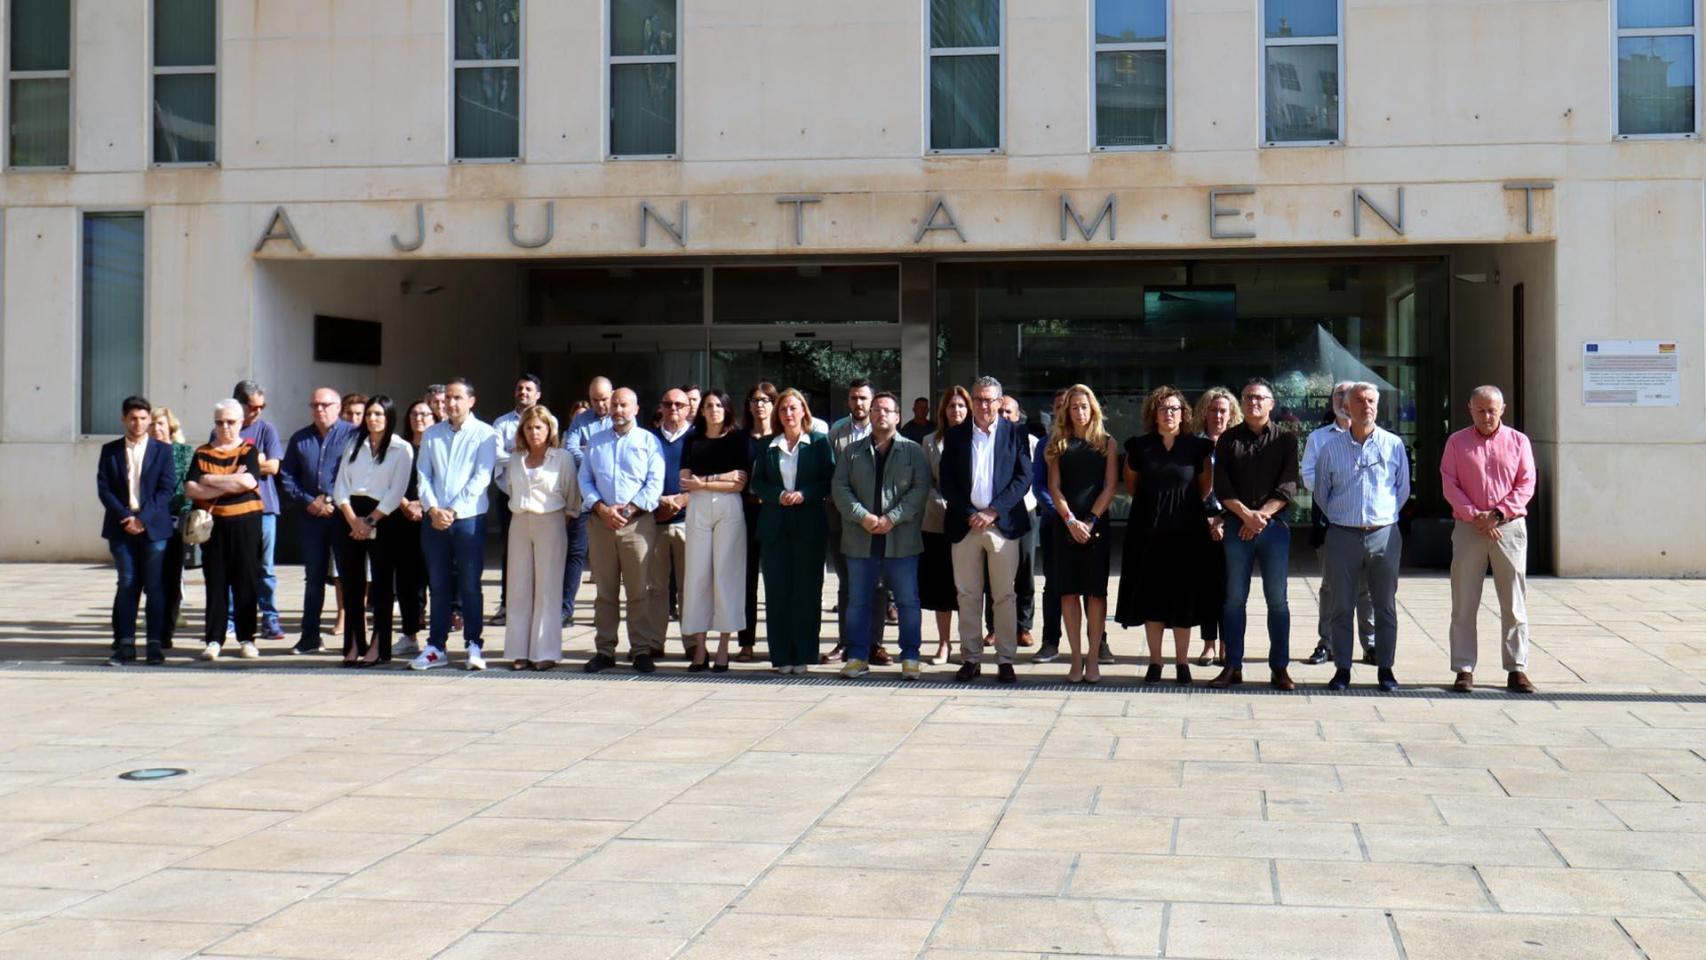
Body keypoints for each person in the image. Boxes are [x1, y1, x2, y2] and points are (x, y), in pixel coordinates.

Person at [1312, 383, 1410, 692]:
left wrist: (1380, 518)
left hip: (1383, 534)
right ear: (1346, 408)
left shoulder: (1394, 445)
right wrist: (1344, 517)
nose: (1365, 406)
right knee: (1341, 605)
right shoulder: (1331, 448)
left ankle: (1386, 668)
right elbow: (1321, 493)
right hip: (1342, 534)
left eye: (1370, 401)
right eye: (1359, 401)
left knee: (1385, 606)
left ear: (1377, 407)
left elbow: (1402, 489)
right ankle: (1342, 668)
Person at [1116, 386, 1215, 686]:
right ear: (1153, 414)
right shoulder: (1139, 447)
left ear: (1184, 414)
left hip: (1186, 533)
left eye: (1174, 408)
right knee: (1153, 598)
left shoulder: (1198, 448)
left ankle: (1182, 663)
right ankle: (1156, 662)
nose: (1169, 413)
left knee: (1182, 598)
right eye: (1163, 409)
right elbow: (1132, 487)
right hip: (1148, 532)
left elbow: (1204, 488)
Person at [1442, 386, 1537, 694]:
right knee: (1464, 601)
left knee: (1513, 602)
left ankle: (1516, 668)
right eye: (1480, 410)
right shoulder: (1456, 442)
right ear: (1470, 409)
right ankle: (1464, 668)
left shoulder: (1519, 442)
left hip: (1508, 528)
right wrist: (1476, 516)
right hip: (1469, 529)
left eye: (1492, 410)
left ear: (1503, 409)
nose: (1486, 416)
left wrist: (1497, 514)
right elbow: (1450, 483)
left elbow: (1526, 483)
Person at [939, 376, 1033, 684]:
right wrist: (971, 514)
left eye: (990, 400)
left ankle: (1005, 660)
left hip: (1002, 526)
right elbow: (948, 482)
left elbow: (1023, 478)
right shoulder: (954, 436)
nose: (983, 405)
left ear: (999, 401)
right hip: (965, 526)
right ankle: (971, 659)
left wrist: (993, 511)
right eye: (978, 399)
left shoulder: (1015, 433)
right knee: (967, 595)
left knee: (1004, 595)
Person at [833, 392, 930, 679]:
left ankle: (910, 657)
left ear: (898, 416)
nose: (880, 414)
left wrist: (892, 518)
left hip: (901, 541)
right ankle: (857, 656)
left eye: (886, 410)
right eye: (875, 409)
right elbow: (840, 489)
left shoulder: (913, 451)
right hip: (860, 539)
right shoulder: (851, 452)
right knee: (858, 601)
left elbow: (919, 490)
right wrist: (863, 516)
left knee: (908, 601)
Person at [1212, 378, 1301, 690]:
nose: (1254, 403)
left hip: (1273, 529)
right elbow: (1222, 487)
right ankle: (1232, 666)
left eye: (1260, 398)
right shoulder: (1227, 441)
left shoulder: (1286, 440)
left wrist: (1260, 516)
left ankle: (1280, 668)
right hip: (1238, 527)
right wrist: (1246, 517)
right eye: (1248, 397)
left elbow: (1289, 485)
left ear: (1271, 404)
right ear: (1242, 401)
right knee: (1234, 599)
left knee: (1278, 600)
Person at [412, 378, 498, 671]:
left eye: (457, 397)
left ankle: (474, 643)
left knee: (470, 584)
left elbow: (482, 477)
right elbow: (423, 475)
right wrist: (433, 509)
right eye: (447, 398)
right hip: (435, 520)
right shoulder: (432, 434)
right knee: (438, 584)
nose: (451, 403)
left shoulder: (485, 434)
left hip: (468, 519)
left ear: (471, 401)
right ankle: (436, 645)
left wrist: (452, 509)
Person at [579, 387, 666, 673]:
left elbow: (654, 484)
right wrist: (602, 509)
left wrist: (628, 511)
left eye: (624, 405)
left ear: (636, 409)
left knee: (639, 591)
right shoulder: (596, 441)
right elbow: (585, 480)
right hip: (601, 523)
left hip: (637, 525)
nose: (618, 410)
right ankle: (604, 650)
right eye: (614, 405)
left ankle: (640, 650)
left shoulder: (649, 442)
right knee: (605, 592)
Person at [751, 388, 833, 674]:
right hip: (775, 526)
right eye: (783, 409)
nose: (788, 413)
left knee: (807, 592)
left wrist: (805, 494)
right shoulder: (766, 445)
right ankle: (781, 656)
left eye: (793, 408)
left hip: (809, 524)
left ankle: (805, 654)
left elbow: (828, 480)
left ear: (803, 412)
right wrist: (777, 495)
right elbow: (757, 483)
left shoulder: (820, 443)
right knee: (777, 593)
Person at [331, 395, 413, 667]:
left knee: (380, 584)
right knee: (352, 582)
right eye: (369, 414)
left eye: (379, 414)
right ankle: (354, 641)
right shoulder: (354, 443)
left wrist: (371, 521)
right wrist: (353, 520)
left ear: (389, 417)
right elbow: (341, 485)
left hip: (383, 516)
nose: (373, 419)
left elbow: (396, 491)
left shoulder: (401, 449)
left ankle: (379, 644)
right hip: (351, 514)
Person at [1046, 385, 1119, 684]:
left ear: (1093, 410)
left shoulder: (1107, 443)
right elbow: (1054, 487)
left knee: (1096, 595)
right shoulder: (1057, 443)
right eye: (1074, 406)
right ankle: (1075, 659)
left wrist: (1089, 521)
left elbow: (1111, 485)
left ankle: (1092, 659)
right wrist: (1071, 521)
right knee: (1068, 593)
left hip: (1096, 527)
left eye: (1084, 406)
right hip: (1065, 527)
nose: (1079, 411)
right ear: (1067, 410)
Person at [96, 397, 178, 666]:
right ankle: (126, 644)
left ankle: (154, 644)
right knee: (128, 583)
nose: (139, 423)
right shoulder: (110, 451)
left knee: (155, 586)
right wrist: (126, 517)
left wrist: (143, 518)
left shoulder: (163, 450)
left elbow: (167, 490)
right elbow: (104, 489)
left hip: (154, 529)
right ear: (124, 419)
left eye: (144, 418)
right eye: (133, 418)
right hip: (122, 529)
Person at [1301, 382, 1377, 667]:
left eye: (1350, 395)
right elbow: (1308, 474)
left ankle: (1370, 644)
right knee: (1331, 586)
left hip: (1368, 526)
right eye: (1338, 395)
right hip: (1329, 521)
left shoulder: (1380, 438)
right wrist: (1336, 494)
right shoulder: (1319, 438)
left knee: (1366, 588)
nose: (1344, 400)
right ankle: (1328, 642)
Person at [279, 388, 359, 655]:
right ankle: (310, 635)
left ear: (338, 407)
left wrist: (335, 502)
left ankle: (354, 637)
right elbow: (287, 476)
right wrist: (309, 501)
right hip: (311, 518)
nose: (319, 409)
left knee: (350, 577)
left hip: (343, 517)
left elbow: (359, 473)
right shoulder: (300, 439)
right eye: (314, 405)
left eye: (325, 405)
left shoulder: (352, 435)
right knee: (313, 578)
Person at [185, 400, 265, 660]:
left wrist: (209, 480)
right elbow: (190, 488)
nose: (225, 427)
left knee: (246, 581)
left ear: (241, 423)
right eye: (220, 422)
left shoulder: (248, 451)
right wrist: (230, 481)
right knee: (216, 582)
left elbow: (248, 480)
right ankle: (213, 640)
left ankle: (247, 638)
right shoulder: (202, 452)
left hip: (245, 523)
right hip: (213, 526)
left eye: (230, 422)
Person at [680, 389, 750, 671]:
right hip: (697, 507)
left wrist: (705, 481)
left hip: (728, 508)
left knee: (726, 573)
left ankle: (723, 647)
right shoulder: (692, 440)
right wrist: (719, 478)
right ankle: (700, 647)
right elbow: (686, 481)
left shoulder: (738, 439)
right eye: (708, 405)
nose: (713, 410)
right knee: (697, 575)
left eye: (718, 405)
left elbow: (739, 483)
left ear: (727, 409)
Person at [505, 404, 577, 670]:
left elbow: (571, 496)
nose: (534, 432)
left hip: (552, 520)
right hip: (520, 520)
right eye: (529, 427)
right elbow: (510, 489)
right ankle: (518, 650)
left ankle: (544, 651)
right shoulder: (515, 459)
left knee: (548, 588)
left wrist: (562, 518)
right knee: (518, 587)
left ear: (549, 429)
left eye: (539, 427)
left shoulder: (562, 458)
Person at [825, 379, 889, 665]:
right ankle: (846, 642)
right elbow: (832, 479)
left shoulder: (886, 433)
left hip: (878, 521)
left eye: (864, 398)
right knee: (847, 583)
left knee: (877, 583)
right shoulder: (836, 434)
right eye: (854, 398)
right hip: (843, 520)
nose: (859, 403)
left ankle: (875, 643)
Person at [230, 381, 285, 641]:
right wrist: (256, 460)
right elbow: (218, 466)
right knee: (234, 566)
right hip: (231, 508)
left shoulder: (267, 429)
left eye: (262, 406)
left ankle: (270, 618)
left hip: (265, 508)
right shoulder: (225, 428)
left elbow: (273, 467)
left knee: (266, 567)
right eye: (253, 406)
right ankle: (231, 619)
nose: (258, 411)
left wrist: (243, 464)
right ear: (239, 404)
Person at [920, 386, 970, 664]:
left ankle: (967, 643)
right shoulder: (929, 441)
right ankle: (943, 643)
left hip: (970, 523)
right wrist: (944, 504)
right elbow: (925, 481)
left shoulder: (978, 438)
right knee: (942, 588)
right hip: (938, 522)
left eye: (961, 406)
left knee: (967, 586)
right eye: (952, 406)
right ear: (943, 410)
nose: (957, 410)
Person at [1192, 387, 1240, 666]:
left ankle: (1226, 644)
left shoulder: (1237, 444)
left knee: (1230, 587)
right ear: (1205, 413)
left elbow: (1245, 488)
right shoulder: (1195, 445)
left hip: (1231, 521)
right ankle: (1209, 644)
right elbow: (1187, 487)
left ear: (1231, 414)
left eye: (1224, 410)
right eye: (1214, 410)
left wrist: (1223, 519)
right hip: (1200, 522)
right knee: (1207, 586)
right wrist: (1208, 519)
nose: (1219, 415)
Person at [985, 395, 1038, 650]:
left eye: (1009, 412)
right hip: (994, 514)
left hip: (1024, 512)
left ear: (1018, 416)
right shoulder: (988, 441)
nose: (1004, 416)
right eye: (1001, 411)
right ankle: (993, 628)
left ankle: (1024, 626)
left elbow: (1033, 480)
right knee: (992, 572)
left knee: (1025, 570)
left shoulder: (1031, 442)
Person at [490, 374, 543, 628]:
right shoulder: (501, 424)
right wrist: (523, 455)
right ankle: (507, 604)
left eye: (528, 389)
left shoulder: (547, 421)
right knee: (510, 551)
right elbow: (498, 458)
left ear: (538, 395)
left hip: (541, 498)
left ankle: (536, 604)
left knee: (539, 552)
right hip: (509, 496)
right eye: (520, 388)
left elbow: (547, 454)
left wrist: (516, 455)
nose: (523, 392)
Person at [563, 376, 614, 627]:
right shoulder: (580, 421)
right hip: (587, 497)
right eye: (595, 400)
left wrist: (589, 451)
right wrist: (597, 459)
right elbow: (570, 448)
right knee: (576, 552)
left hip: (615, 499)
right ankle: (566, 609)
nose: (600, 404)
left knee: (609, 561)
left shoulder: (622, 417)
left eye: (604, 399)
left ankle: (605, 611)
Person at [649, 387, 694, 656]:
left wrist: (679, 501)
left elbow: (706, 480)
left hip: (688, 521)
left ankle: (691, 643)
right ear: (661, 407)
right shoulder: (649, 439)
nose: (673, 409)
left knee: (689, 587)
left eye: (679, 404)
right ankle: (654, 643)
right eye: (668, 404)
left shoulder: (697, 438)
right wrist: (660, 502)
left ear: (688, 408)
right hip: (654, 521)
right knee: (655, 588)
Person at [736, 382, 779, 662]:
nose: (759, 404)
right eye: (754, 399)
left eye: (765, 399)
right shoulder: (739, 439)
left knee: (776, 579)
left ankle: (778, 642)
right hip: (745, 512)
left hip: (775, 512)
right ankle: (746, 643)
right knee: (746, 580)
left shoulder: (782, 437)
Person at [149, 407, 195, 650]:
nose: (156, 428)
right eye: (152, 424)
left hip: (174, 522)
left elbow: (188, 489)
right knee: (150, 580)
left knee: (171, 579)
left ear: (170, 428)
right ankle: (154, 629)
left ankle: (166, 630)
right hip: (148, 523)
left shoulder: (184, 453)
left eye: (161, 424)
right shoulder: (143, 452)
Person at [391, 400, 434, 659]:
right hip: (402, 518)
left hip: (431, 518)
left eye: (425, 414)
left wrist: (423, 504)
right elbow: (389, 481)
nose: (419, 418)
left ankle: (435, 638)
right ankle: (409, 634)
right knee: (407, 580)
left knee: (432, 579)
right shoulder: (399, 448)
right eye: (415, 413)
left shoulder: (437, 446)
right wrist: (406, 504)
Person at [1030, 389, 1069, 664]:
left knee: (1092, 589)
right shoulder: (1045, 444)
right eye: (1059, 406)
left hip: (1087, 524)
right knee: (1053, 585)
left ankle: (1098, 643)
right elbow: (1039, 485)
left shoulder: (1096, 443)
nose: (1065, 410)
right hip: (1054, 523)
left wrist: (1085, 517)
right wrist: (1062, 514)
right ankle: (1050, 641)